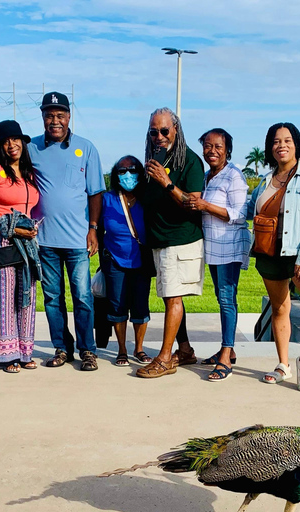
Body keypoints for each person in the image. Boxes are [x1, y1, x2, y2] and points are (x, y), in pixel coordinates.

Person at [246, 122, 300, 392]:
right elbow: (247, 210)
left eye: (287, 140)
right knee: (280, 307)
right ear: (270, 148)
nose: (281, 145)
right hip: (270, 253)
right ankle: (283, 364)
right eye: (276, 141)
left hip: (299, 253)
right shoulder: (264, 181)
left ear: (297, 145)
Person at [28, 92, 105, 371]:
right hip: (45, 240)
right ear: (43, 117)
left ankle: (87, 350)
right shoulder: (31, 148)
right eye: (49, 115)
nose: (55, 120)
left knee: (82, 297)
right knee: (52, 298)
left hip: (77, 241)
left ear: (69, 116)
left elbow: (95, 193)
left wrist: (93, 229)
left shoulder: (85, 148)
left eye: (60, 115)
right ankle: (62, 347)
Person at [136, 107, 205, 379]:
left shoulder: (189, 161)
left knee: (173, 298)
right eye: (154, 132)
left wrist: (166, 183)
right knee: (170, 297)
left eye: (164, 130)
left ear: (176, 129)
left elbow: (193, 203)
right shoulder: (154, 158)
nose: (159, 136)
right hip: (159, 242)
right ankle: (185, 350)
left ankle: (165, 358)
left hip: (180, 240)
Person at [184, 128, 250, 381]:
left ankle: (225, 355)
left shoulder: (234, 176)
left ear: (227, 150)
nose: (212, 151)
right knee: (222, 297)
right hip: (212, 248)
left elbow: (239, 214)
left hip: (229, 247)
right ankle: (228, 349)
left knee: (226, 299)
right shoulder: (206, 176)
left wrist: (205, 206)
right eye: (208, 146)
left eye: (218, 147)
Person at [0, 120, 40, 373]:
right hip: (0, 239)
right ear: (0, 146)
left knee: (26, 296)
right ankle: (6, 355)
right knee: (2, 298)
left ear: (23, 142)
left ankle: (24, 352)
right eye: (5, 141)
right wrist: (13, 229)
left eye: (15, 139)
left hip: (27, 242)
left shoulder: (29, 173)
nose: (11, 145)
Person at [99, 156, 153, 367]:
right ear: (115, 175)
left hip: (141, 261)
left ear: (140, 173)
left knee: (140, 306)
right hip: (114, 259)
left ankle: (138, 349)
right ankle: (121, 350)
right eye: (122, 171)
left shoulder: (147, 198)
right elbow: (96, 225)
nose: (128, 175)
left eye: (132, 170)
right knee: (117, 305)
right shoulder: (107, 199)